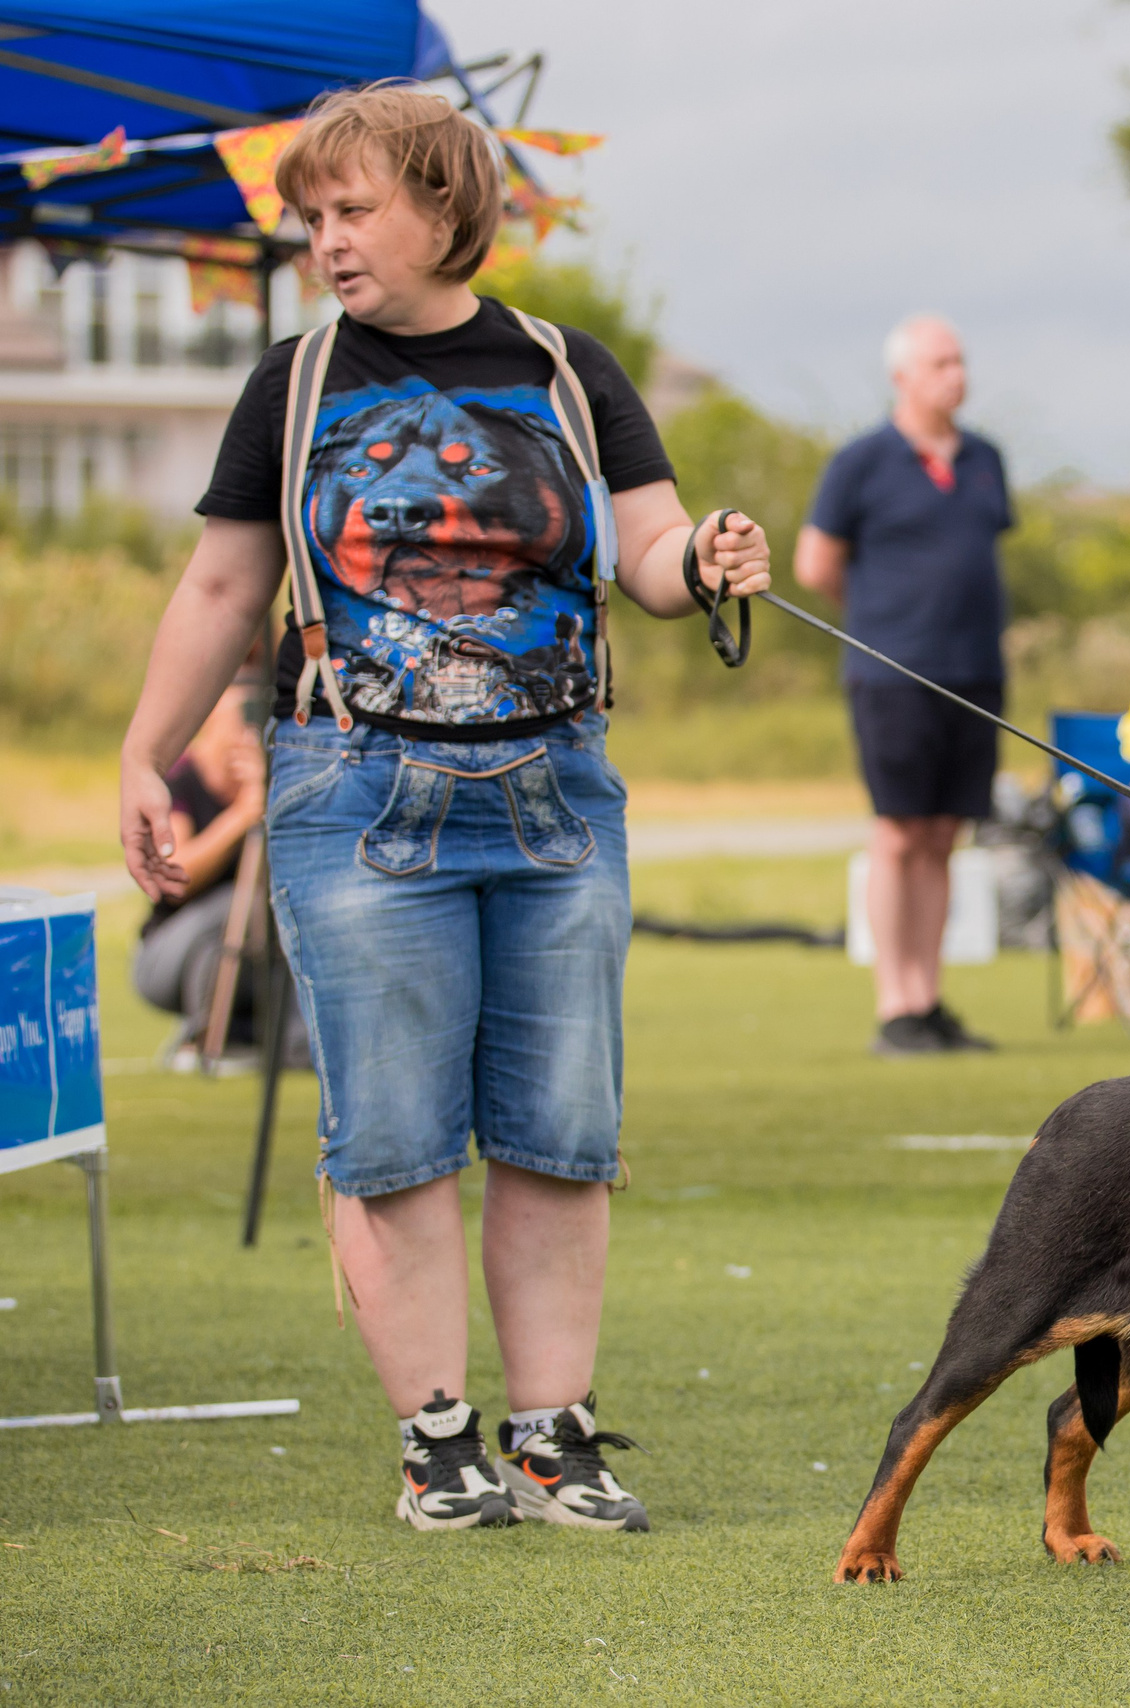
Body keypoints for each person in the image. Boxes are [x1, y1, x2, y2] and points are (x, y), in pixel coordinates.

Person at [118, 83, 774, 1534]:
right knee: (395, 1139)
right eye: (313, 219)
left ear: (443, 205)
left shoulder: (563, 366)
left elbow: (652, 551)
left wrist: (709, 557)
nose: (329, 242)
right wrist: (139, 753)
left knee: (558, 1133)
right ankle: (439, 1443)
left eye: (354, 211)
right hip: (353, 793)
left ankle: (554, 1438)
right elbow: (224, 586)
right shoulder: (290, 386)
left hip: (557, 796)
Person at [796, 314, 1012, 1055]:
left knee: (945, 835)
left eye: (960, 360)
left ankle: (929, 997)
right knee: (897, 833)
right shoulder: (862, 462)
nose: (956, 374)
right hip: (891, 675)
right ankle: (895, 1004)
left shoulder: (986, 458)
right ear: (904, 377)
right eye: (940, 363)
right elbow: (815, 565)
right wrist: (884, 623)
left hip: (975, 672)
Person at [131, 676, 271, 1064]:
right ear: (211, 722)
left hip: (237, 952)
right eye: (240, 721)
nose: (248, 733)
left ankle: (270, 1041)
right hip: (165, 954)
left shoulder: (273, 787)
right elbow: (172, 876)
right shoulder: (179, 781)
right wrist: (244, 814)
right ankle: (202, 1034)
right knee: (237, 902)